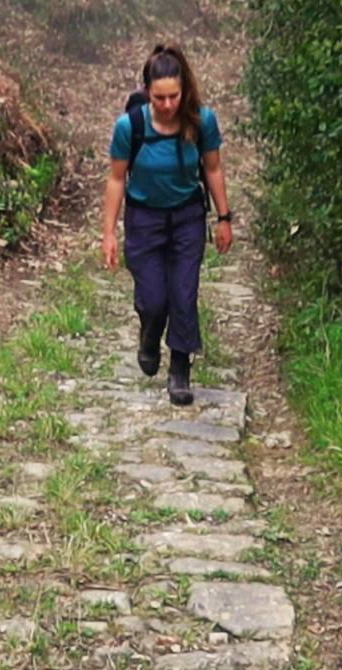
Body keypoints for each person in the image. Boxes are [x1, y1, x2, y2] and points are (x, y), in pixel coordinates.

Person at [102, 42, 232, 405]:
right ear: (147, 93)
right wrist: (109, 233)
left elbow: (213, 168)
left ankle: (179, 370)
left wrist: (224, 218)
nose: (168, 104)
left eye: (174, 96)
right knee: (154, 300)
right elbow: (116, 179)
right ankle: (149, 334)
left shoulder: (200, 121)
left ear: (183, 90)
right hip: (144, 219)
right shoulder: (131, 126)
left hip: (187, 217)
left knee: (184, 293)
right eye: (160, 98)